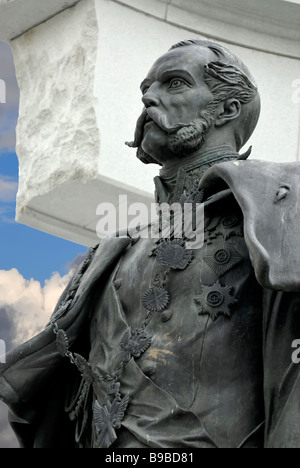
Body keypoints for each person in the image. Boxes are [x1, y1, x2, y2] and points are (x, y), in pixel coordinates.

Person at [1, 38, 300, 448]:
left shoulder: (276, 206)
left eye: (174, 83)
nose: (150, 99)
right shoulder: (112, 252)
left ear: (228, 110)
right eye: (146, 90)